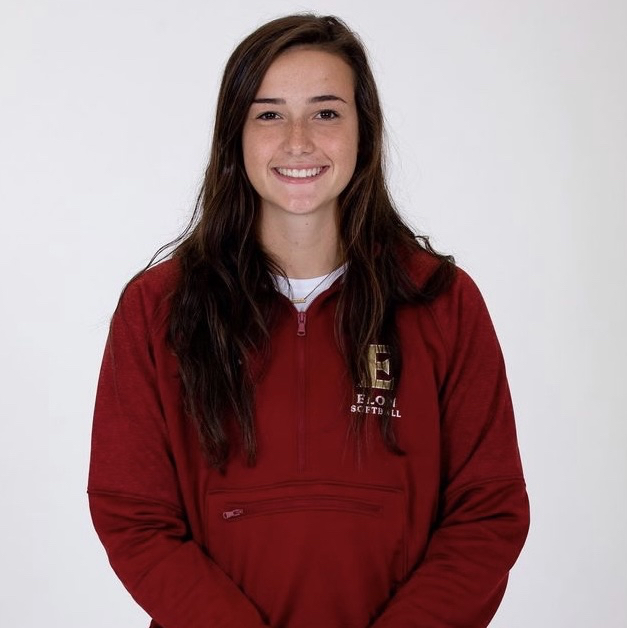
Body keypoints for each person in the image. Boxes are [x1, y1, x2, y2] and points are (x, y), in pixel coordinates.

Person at [88, 13, 529, 628]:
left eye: (326, 112)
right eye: (269, 114)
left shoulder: (442, 302)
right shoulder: (158, 307)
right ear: (235, 135)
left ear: (363, 132)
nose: (298, 141)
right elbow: (133, 514)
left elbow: (487, 511)